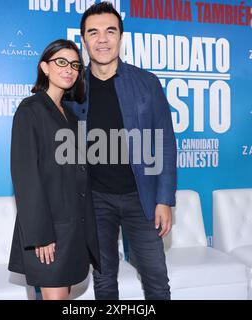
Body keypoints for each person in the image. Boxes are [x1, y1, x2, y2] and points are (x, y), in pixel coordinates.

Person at [67, 3, 177, 300]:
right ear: (84, 40)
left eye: (110, 31)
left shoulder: (146, 83)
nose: (102, 39)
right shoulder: (72, 88)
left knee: (156, 278)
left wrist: (165, 199)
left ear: (120, 37)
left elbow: (165, 141)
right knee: (103, 282)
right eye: (94, 32)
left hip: (141, 199)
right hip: (94, 200)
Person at [8, 39, 100, 300]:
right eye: (61, 62)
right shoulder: (30, 110)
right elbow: (26, 177)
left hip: (72, 228)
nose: (69, 69)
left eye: (74, 64)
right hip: (48, 231)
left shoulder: (71, 116)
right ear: (44, 68)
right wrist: (40, 235)